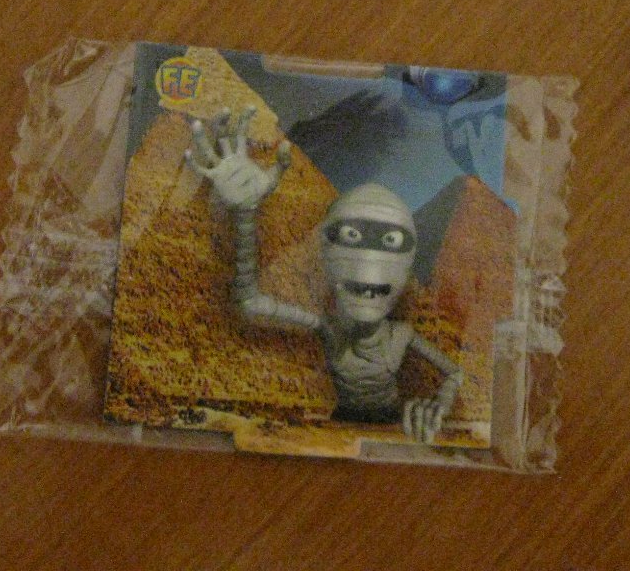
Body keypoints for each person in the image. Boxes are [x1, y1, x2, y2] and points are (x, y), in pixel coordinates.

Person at [185, 107, 462, 443]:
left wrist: (438, 405)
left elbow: (456, 373)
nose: (368, 259)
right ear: (323, 257)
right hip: (340, 428)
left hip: (393, 428)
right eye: (351, 236)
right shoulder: (329, 329)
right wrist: (246, 212)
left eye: (390, 240)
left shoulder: (400, 334)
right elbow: (249, 303)